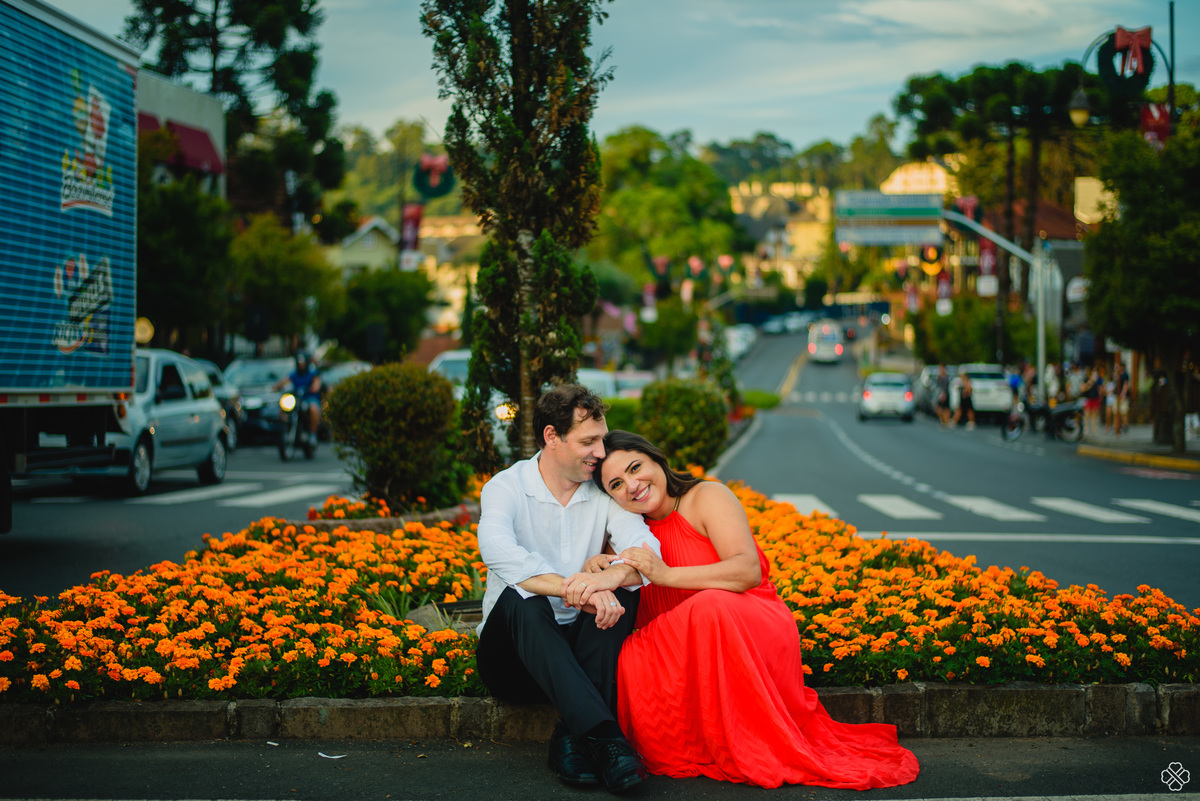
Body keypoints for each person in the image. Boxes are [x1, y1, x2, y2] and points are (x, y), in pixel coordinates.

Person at [589, 431, 920, 790]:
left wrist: (667, 575)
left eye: (636, 468)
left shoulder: (706, 497)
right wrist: (599, 564)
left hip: (748, 620)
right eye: (617, 484)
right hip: (683, 644)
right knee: (628, 654)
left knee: (710, 606)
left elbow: (747, 571)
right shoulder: (627, 530)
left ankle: (750, 739)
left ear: (656, 459)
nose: (633, 486)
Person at [475, 384, 659, 794]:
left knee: (624, 586)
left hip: (578, 654)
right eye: (588, 441)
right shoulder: (506, 487)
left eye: (602, 440)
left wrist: (603, 581)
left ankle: (571, 740)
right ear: (552, 437)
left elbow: (647, 549)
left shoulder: (602, 493)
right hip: (513, 663)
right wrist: (578, 590)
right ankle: (608, 741)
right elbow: (499, 552)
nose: (600, 451)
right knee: (524, 597)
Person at [274, 351, 322, 445]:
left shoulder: (313, 373)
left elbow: (317, 384)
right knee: (283, 405)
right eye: (300, 363)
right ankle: (284, 425)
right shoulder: (294, 374)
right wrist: (276, 387)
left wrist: (314, 388)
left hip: (309, 398)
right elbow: (284, 381)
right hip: (297, 398)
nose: (301, 365)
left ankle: (312, 434)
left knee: (313, 409)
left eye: (303, 363)